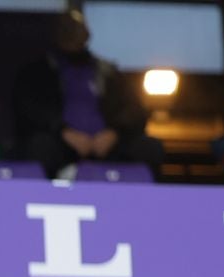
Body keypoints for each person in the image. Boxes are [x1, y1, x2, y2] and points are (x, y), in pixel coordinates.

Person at [12, 10, 163, 178]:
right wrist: (65, 133)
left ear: (87, 34)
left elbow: (135, 109)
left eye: (78, 29)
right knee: (39, 146)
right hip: (62, 144)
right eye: (67, 29)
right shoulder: (39, 72)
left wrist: (114, 133)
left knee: (149, 147)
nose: (73, 34)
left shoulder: (108, 72)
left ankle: (142, 199)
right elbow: (31, 109)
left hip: (107, 144)